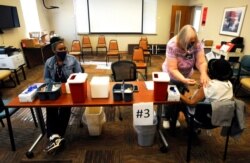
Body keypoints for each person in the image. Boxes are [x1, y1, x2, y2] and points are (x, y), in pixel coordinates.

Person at [161, 25, 210, 129]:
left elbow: (201, 62)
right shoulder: (172, 44)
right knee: (170, 97)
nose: (192, 45)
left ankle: (175, 116)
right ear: (182, 39)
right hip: (171, 75)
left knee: (180, 97)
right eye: (190, 43)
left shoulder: (197, 43)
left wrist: (204, 73)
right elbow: (172, 68)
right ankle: (166, 117)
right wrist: (183, 79)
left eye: (193, 42)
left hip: (186, 74)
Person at [43, 36, 83, 154]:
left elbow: (79, 74)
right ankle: (54, 137)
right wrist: (54, 86)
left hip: (70, 90)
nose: (64, 50)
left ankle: (57, 136)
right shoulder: (49, 62)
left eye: (65, 48)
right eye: (60, 49)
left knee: (65, 109)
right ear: (54, 51)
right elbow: (46, 77)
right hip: (54, 90)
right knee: (51, 109)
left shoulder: (72, 60)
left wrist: (69, 84)